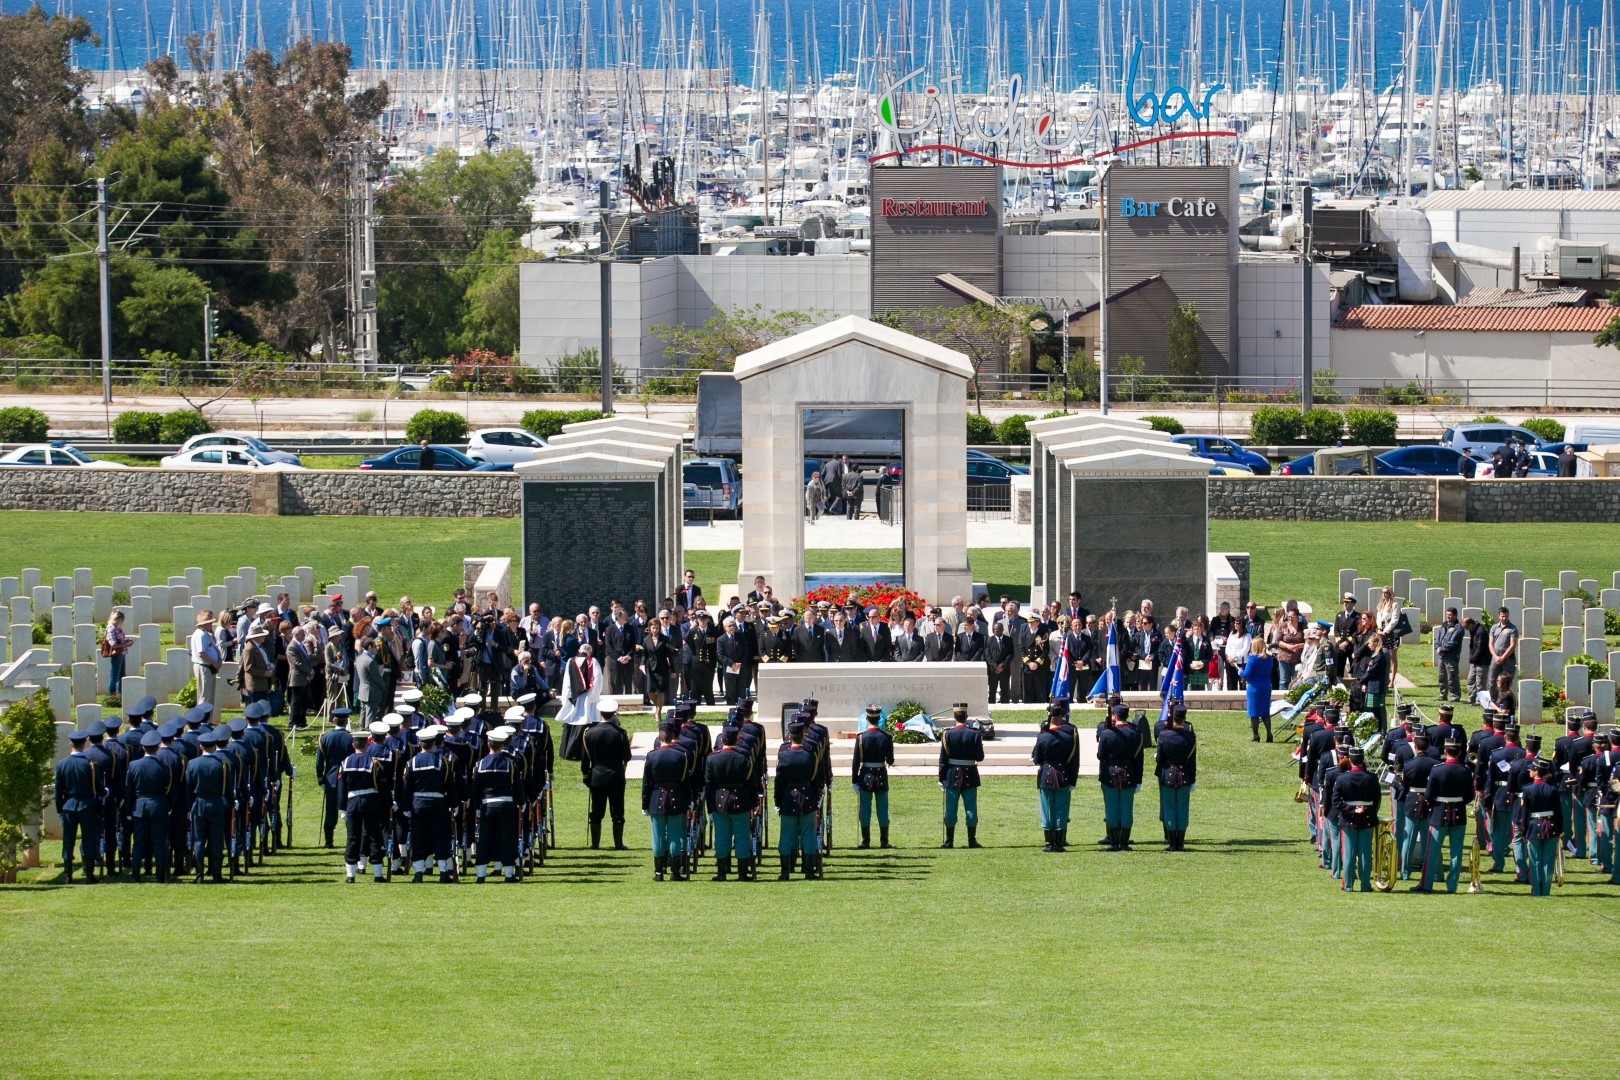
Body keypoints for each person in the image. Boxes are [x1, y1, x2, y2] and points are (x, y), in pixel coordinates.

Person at [1417, 739, 1475, 892]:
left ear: (1445, 751)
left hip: (1439, 812)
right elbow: (1470, 796)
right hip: (1458, 813)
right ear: (1460, 752)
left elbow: (1429, 794)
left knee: (1432, 852)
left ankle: (1426, 884)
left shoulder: (1437, 770)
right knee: (1456, 852)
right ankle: (1452, 886)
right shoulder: (1465, 771)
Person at [402, 725, 458, 883]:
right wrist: (454, 804)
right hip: (438, 803)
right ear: (434, 743)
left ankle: (419, 872)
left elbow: (407, 787)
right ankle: (443, 872)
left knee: (418, 837)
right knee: (441, 837)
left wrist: (406, 807)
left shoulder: (411, 762)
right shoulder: (443, 761)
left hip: (418, 804)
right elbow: (450, 785)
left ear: (420, 743)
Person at [704, 724, 759, 881]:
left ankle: (722, 873)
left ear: (723, 739)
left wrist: (710, 806)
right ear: (736, 739)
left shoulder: (712, 758)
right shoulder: (744, 757)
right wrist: (754, 802)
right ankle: (742, 873)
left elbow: (709, 785)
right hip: (741, 800)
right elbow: (751, 783)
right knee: (742, 837)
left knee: (721, 837)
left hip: (719, 801)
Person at [471, 727, 525, 883]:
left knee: (485, 838)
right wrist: (521, 802)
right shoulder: (510, 763)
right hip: (506, 805)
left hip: (487, 805)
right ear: (502, 745)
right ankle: (509, 874)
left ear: (488, 744)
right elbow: (517, 785)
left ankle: (480, 874)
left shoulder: (480, 764)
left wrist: (476, 805)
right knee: (507, 839)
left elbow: (476, 788)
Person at [641, 721, 693, 881]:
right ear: (673, 737)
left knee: (658, 836)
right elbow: (685, 780)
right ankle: (675, 872)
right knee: (675, 835)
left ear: (659, 737)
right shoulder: (681, 755)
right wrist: (689, 799)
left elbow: (646, 782)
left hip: (656, 798)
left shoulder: (651, 755)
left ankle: (658, 873)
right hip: (676, 797)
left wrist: (644, 803)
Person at [54, 728, 104, 884]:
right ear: (84, 744)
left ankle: (68, 875)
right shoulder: (90, 765)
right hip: (87, 806)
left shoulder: (62, 764)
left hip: (69, 806)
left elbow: (58, 791)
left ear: (70, 744)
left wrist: (60, 810)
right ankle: (89, 875)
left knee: (68, 841)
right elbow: (98, 787)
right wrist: (105, 792)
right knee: (88, 839)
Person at [184, 728, 233, 884]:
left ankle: (199, 875)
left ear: (201, 747)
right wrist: (230, 805)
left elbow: (188, 788)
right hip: (216, 804)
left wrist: (188, 807)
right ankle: (216, 875)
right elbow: (227, 789)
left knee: (199, 840)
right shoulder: (222, 764)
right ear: (214, 746)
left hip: (198, 804)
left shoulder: (192, 764)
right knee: (216, 840)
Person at [581, 699, 631, 850]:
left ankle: (595, 844)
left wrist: (585, 775)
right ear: (613, 714)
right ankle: (618, 844)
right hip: (616, 776)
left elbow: (585, 760)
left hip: (597, 777)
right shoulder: (621, 733)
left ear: (600, 713)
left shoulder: (589, 733)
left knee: (596, 811)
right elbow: (627, 757)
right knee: (617, 811)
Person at [1097, 704, 1145, 850]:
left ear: (1115, 716)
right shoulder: (1136, 733)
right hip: (1129, 774)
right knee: (1126, 809)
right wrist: (1138, 780)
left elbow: (1100, 756)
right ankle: (1124, 842)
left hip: (1110, 774)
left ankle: (1114, 842)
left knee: (1111, 809)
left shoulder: (1106, 734)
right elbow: (1139, 759)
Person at [1333, 745, 1381, 892]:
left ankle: (1348, 885)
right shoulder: (1372, 778)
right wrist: (1367, 811)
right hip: (1367, 817)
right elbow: (1377, 800)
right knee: (1365, 854)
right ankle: (1365, 885)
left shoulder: (1342, 778)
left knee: (1349, 854)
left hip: (1348, 819)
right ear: (1362, 760)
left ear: (1350, 760)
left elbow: (1336, 802)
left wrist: (1351, 810)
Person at [937, 704, 984, 849]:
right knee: (970, 809)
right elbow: (980, 757)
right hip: (970, 773)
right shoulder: (974, 734)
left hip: (952, 774)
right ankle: (972, 840)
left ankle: (949, 841)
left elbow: (943, 759)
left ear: (954, 717)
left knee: (951, 809)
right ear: (966, 716)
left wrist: (941, 777)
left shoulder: (947, 734)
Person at [1033, 700, 1077, 852]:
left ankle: (1048, 843)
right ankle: (1058, 843)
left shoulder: (1042, 737)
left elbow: (1037, 760)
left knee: (1046, 809)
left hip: (1046, 775)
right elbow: (1071, 760)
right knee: (1061, 809)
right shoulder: (1069, 737)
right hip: (1063, 775)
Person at [1516, 759, 1563, 896]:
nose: (1529, 771)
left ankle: (1536, 890)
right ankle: (1545, 890)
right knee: (1548, 860)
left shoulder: (1527, 789)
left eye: (1532, 769)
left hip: (1533, 826)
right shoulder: (1553, 789)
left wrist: (1524, 830)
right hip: (1551, 826)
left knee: (1534, 860)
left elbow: (1524, 814)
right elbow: (1559, 813)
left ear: (1537, 772)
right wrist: (1559, 830)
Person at [852, 704, 894, 849]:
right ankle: (884, 841)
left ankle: (866, 841)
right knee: (882, 808)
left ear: (867, 718)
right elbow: (890, 761)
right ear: (878, 718)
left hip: (865, 775)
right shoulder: (886, 737)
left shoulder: (861, 737)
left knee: (865, 809)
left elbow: (856, 761)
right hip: (881, 773)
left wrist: (854, 780)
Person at [1155, 703, 1196, 850]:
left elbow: (1160, 759)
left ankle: (1172, 843)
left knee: (1169, 808)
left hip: (1167, 775)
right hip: (1184, 775)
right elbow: (1192, 760)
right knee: (1183, 809)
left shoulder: (1164, 735)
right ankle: (1181, 843)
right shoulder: (1190, 736)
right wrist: (1193, 780)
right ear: (1184, 718)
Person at [316, 708, 354, 848]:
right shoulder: (351, 738)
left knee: (330, 810)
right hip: (347, 778)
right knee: (349, 809)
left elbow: (319, 762)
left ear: (333, 721)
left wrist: (321, 779)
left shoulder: (325, 737)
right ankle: (351, 839)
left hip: (331, 778)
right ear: (346, 721)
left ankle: (328, 841)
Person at [1240, 639, 1275, 741]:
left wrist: (1241, 673)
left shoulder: (1252, 659)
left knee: (1254, 713)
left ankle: (1256, 736)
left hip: (1254, 687)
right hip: (1266, 686)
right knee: (1265, 712)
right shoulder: (1269, 659)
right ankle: (1269, 734)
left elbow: (1247, 674)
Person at [190, 610, 222, 708]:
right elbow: (201, 653)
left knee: (209, 695)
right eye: (210, 623)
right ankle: (202, 720)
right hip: (204, 667)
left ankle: (207, 720)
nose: (211, 625)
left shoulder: (206, 633)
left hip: (209, 667)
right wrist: (214, 663)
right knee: (205, 695)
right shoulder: (200, 635)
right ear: (205, 624)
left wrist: (219, 659)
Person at [1360, 634, 1391, 733]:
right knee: (1373, 709)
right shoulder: (1375, 655)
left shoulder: (1379, 656)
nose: (1368, 645)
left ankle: (1381, 730)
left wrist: (1361, 680)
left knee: (1377, 710)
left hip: (1376, 687)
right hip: (1372, 685)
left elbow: (1371, 671)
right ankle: (1378, 729)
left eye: (1370, 643)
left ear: (1376, 643)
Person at [1433, 607, 1464, 702]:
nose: (1448, 617)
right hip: (1441, 656)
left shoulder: (1458, 628)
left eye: (1450, 615)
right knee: (1441, 676)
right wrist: (1437, 647)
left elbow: (1453, 642)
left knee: (1452, 677)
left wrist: (1442, 649)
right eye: (1447, 615)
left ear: (1455, 615)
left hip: (1451, 656)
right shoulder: (1444, 625)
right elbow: (1438, 638)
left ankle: (1455, 696)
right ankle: (1442, 695)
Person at [1487, 607, 1518, 691]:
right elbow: (1490, 644)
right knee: (1492, 681)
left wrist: (1503, 657)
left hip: (1508, 659)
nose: (1504, 618)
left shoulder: (1513, 628)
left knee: (1505, 682)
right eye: (1502, 616)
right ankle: (1493, 701)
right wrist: (1496, 657)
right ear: (1499, 616)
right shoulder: (1494, 628)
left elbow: (1512, 645)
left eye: (1506, 616)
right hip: (1495, 658)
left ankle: (1504, 702)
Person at [986, 618, 1015, 703]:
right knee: (992, 690)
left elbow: (1010, 654)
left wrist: (1002, 666)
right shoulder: (989, 640)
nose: (995, 631)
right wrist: (995, 666)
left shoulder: (1008, 640)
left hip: (1004, 669)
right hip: (993, 670)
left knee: (1005, 689)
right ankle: (992, 704)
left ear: (1002, 629)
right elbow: (988, 655)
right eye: (994, 629)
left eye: (997, 629)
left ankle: (1005, 704)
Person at [1464, 616, 1490, 704]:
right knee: (1470, 680)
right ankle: (1471, 698)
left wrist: (1473, 658)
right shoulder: (1473, 630)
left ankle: (1480, 701)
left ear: (1471, 624)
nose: (1468, 630)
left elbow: (1480, 648)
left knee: (1480, 683)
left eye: (1467, 628)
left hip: (1482, 662)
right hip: (1474, 662)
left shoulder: (1481, 632)